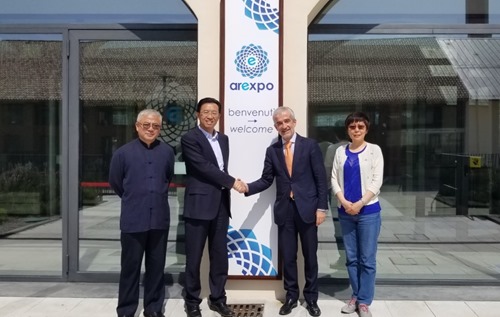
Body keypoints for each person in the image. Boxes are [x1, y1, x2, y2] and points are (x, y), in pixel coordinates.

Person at [244, 107, 328, 317]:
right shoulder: (272, 151)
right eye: (279, 123)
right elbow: (266, 179)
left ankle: (311, 298)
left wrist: (321, 207)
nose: (284, 126)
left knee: (310, 257)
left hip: (308, 209)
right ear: (276, 127)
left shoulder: (310, 146)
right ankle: (291, 296)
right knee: (288, 257)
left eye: (287, 121)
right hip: (285, 210)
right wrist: (247, 188)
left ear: (294, 121)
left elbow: (320, 179)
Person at [181, 97, 245, 317]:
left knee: (219, 256)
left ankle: (218, 298)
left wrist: (227, 185)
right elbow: (203, 167)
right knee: (194, 257)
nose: (210, 116)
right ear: (198, 114)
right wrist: (231, 182)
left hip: (220, 205)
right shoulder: (190, 138)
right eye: (205, 111)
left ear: (219, 115)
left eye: (214, 112)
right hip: (198, 204)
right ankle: (191, 301)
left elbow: (218, 166)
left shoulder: (224, 139)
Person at [109, 109, 175, 317]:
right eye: (146, 125)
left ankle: (153, 308)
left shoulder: (167, 152)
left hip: (159, 219)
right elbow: (116, 182)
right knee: (130, 268)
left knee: (156, 267)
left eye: (155, 126)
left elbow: (168, 177)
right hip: (133, 219)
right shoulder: (122, 153)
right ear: (137, 126)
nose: (150, 129)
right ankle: (126, 310)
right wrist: (135, 199)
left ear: (160, 129)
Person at [330, 112, 384, 317]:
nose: (356, 130)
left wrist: (360, 203)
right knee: (351, 258)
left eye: (360, 126)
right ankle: (355, 295)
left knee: (367, 259)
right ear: (347, 130)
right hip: (346, 212)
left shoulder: (374, 150)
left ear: (366, 129)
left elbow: (377, 182)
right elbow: (334, 178)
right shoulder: (340, 152)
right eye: (352, 127)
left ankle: (364, 302)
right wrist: (344, 202)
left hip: (368, 212)